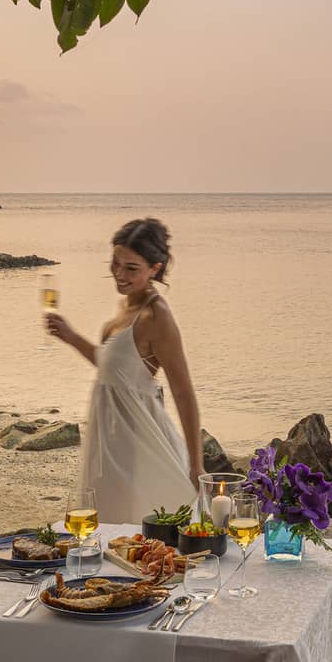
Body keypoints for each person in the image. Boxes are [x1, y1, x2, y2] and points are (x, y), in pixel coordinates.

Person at [46, 218, 204, 524]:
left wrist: (196, 466)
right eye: (115, 263)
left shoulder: (157, 316)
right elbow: (114, 371)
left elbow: (183, 392)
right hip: (109, 438)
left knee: (137, 532)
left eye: (131, 268)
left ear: (155, 269)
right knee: (107, 531)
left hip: (138, 443)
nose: (119, 274)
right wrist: (70, 336)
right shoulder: (125, 308)